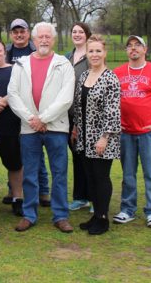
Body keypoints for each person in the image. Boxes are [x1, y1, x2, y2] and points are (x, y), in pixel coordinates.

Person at [8, 22, 75, 233]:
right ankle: (29, 214)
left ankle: (61, 215)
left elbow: (66, 97)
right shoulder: (21, 64)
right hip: (29, 128)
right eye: (40, 37)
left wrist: (44, 118)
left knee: (59, 173)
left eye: (48, 36)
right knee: (30, 173)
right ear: (33, 40)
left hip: (56, 127)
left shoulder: (63, 64)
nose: (44, 40)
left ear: (53, 39)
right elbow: (13, 94)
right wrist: (32, 119)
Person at [113, 35, 151, 228]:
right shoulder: (118, 72)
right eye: (129, 46)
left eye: (137, 45)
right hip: (126, 132)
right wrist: (115, 122)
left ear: (145, 49)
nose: (133, 48)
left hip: (148, 133)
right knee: (128, 173)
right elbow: (112, 102)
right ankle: (127, 209)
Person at [72, 34, 121, 235]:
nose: (94, 54)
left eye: (98, 51)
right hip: (84, 136)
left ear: (104, 53)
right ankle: (95, 214)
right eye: (91, 51)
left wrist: (104, 137)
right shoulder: (84, 76)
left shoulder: (110, 78)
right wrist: (75, 126)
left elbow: (113, 111)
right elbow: (78, 104)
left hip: (102, 138)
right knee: (90, 177)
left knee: (101, 177)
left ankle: (102, 218)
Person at [5, 18, 50, 207]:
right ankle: (13, 190)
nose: (19, 35)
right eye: (15, 32)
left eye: (22, 31)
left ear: (28, 33)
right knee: (15, 152)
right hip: (11, 109)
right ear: (11, 34)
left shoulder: (35, 51)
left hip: (33, 109)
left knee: (36, 152)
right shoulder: (7, 52)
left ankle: (44, 191)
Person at [0, 40, 24, 216]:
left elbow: (21, 90)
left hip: (10, 125)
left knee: (15, 165)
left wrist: (5, 100)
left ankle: (18, 198)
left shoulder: (15, 70)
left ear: (4, 52)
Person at [65, 22, 93, 212]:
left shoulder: (91, 56)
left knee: (89, 157)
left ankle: (94, 197)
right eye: (74, 32)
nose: (77, 35)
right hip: (68, 115)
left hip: (87, 115)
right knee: (76, 155)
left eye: (80, 32)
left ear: (87, 35)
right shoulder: (67, 57)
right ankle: (80, 197)